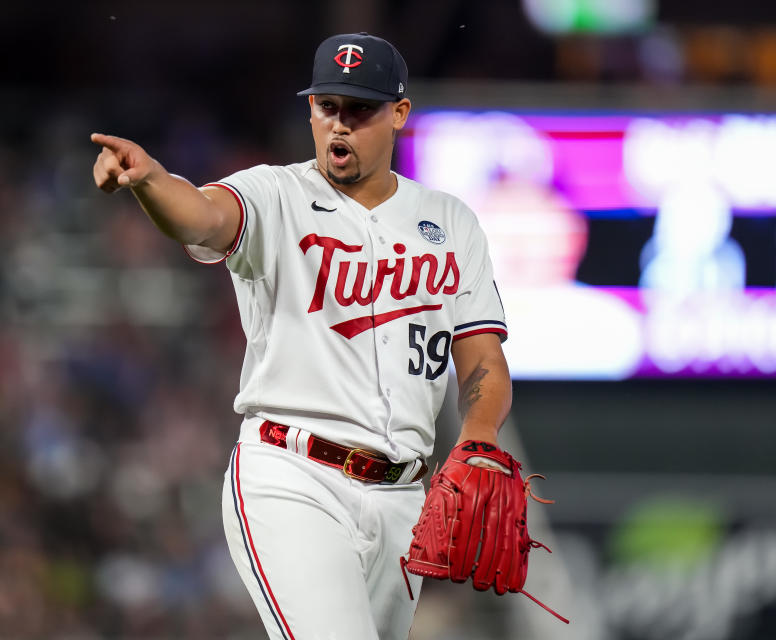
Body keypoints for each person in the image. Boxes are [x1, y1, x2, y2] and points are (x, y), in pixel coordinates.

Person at [92, 32, 512, 640]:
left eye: (359, 110)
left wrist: (477, 437)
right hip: (295, 477)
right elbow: (204, 214)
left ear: (398, 114)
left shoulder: (451, 223)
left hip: (402, 499)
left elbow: (483, 361)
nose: (340, 125)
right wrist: (152, 181)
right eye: (327, 107)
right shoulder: (276, 193)